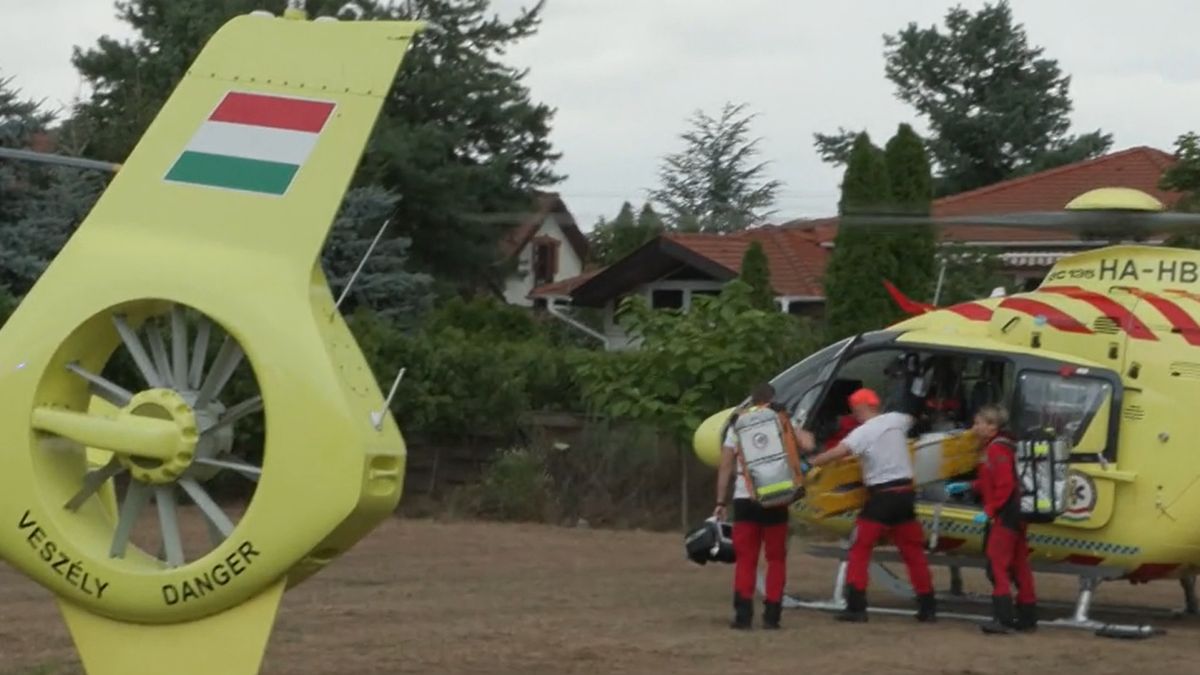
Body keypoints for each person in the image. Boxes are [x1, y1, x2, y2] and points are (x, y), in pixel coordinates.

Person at [798, 388, 936, 623]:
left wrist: (811, 463)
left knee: (860, 548)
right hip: (905, 496)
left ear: (862, 407)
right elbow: (916, 418)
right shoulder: (897, 420)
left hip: (881, 496)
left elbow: (837, 454)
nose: (854, 415)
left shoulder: (862, 433)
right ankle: (928, 606)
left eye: (854, 410)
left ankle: (856, 606)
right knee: (913, 552)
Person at [714, 382, 803, 630]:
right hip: (777, 496)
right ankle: (772, 616)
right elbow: (805, 444)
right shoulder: (781, 419)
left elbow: (725, 466)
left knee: (746, 559)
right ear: (773, 398)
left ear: (751, 400)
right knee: (776, 559)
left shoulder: (737, 424)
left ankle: (743, 616)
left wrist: (720, 501)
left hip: (746, 498)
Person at [946, 404, 1038, 634]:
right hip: (1017, 512)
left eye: (979, 423)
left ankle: (1003, 617)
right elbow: (997, 481)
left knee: (997, 564)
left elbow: (1005, 484)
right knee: (1019, 564)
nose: (975, 428)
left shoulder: (996, 450)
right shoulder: (1006, 446)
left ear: (992, 426)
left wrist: (990, 510)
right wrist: (970, 486)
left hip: (1006, 513)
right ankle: (1027, 615)